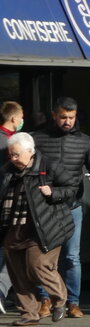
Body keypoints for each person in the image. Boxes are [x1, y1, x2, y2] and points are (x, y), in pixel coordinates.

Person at [31, 96, 90, 319]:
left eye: (71, 117)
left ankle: (73, 303)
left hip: (72, 205)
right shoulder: (39, 138)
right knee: (44, 255)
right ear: (54, 115)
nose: (68, 121)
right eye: (63, 117)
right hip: (44, 206)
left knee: (72, 256)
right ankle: (45, 299)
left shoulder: (84, 141)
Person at [0, 133, 75, 326]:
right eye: (11, 154)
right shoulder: (7, 171)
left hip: (45, 228)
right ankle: (29, 313)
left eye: (16, 154)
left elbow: (72, 187)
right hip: (14, 228)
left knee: (37, 265)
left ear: (30, 151)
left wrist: (53, 193)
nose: (13, 158)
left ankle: (59, 299)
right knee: (17, 272)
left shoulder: (48, 166)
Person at [0, 100, 23, 314]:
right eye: (22, 117)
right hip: (6, 202)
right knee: (11, 247)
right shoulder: (10, 142)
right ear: (14, 118)